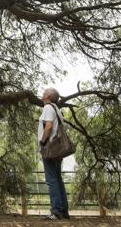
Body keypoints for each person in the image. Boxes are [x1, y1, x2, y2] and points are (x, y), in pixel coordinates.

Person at [37, 87, 70, 220]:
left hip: (50, 148)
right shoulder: (56, 109)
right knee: (58, 179)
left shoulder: (48, 108)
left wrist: (42, 142)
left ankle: (56, 211)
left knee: (51, 180)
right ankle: (63, 211)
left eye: (45, 92)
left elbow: (49, 126)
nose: (42, 94)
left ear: (49, 96)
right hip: (58, 150)